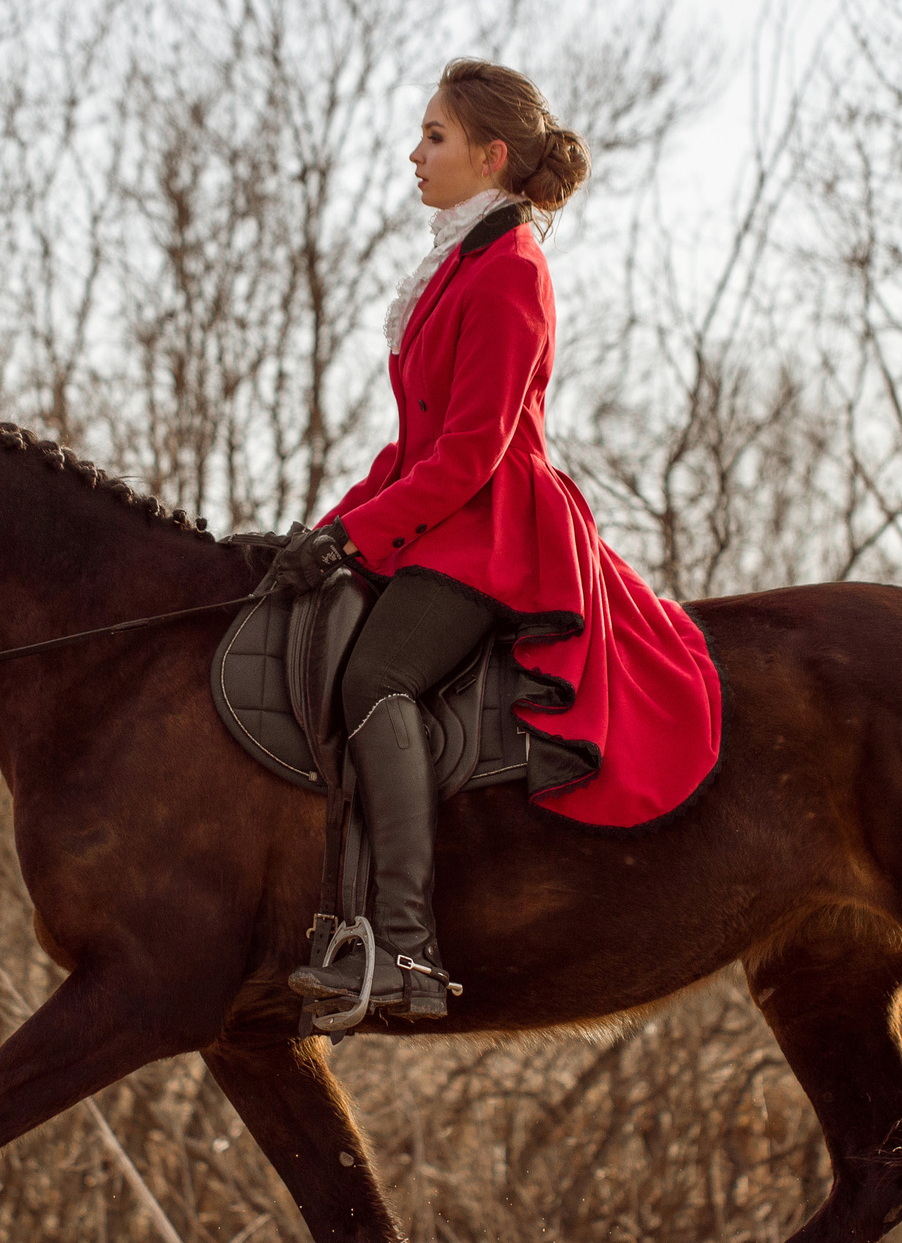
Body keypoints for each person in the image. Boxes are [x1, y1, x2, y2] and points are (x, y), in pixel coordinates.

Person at [278, 59, 723, 1022]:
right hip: (441, 515)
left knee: (376, 677)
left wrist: (355, 538)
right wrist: (323, 535)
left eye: (433, 137)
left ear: (491, 155)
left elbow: (472, 452)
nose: (414, 153)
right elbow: (411, 449)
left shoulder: (512, 268)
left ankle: (405, 948)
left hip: (494, 529)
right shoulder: (459, 263)